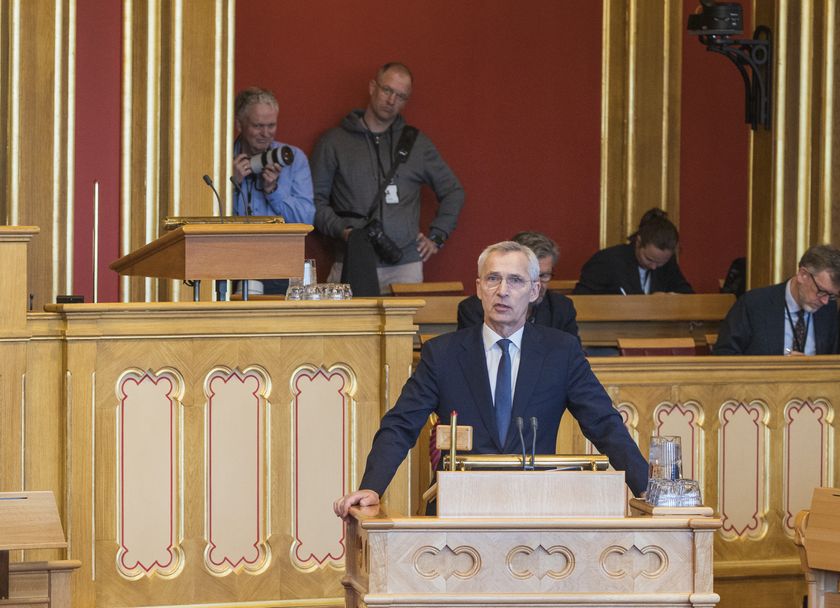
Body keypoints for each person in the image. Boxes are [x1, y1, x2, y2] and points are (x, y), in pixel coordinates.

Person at [333, 241, 648, 518]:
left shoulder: (560, 352)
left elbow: (605, 424)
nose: (503, 290)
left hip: (535, 507)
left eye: (515, 280)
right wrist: (372, 487)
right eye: (493, 279)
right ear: (479, 287)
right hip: (456, 507)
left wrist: (646, 489)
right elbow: (400, 425)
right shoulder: (442, 353)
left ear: (535, 290)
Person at [311, 62, 465, 294]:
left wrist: (437, 236)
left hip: (404, 265)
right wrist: (342, 230)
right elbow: (313, 201)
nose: (391, 101)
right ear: (373, 87)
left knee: (402, 331)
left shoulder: (417, 144)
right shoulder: (334, 142)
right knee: (346, 330)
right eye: (387, 90)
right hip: (351, 259)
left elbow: (453, 191)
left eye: (401, 96)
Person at [231, 87, 315, 294]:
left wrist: (274, 191)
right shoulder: (219, 156)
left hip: (280, 266)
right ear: (239, 124)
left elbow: (307, 220)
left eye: (271, 125)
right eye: (258, 126)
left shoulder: (293, 159)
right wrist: (233, 184)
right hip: (231, 263)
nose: (265, 133)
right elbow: (205, 217)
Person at [713, 244, 840, 355]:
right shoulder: (754, 304)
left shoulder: (829, 310)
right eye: (821, 292)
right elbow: (724, 355)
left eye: (832, 295)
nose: (825, 301)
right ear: (803, 275)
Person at [458, 231, 578, 339]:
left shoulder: (561, 308)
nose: (538, 284)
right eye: (516, 279)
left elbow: (570, 356)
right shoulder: (473, 309)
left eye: (543, 276)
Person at [573, 208, 693, 295]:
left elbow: (687, 296)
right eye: (649, 259)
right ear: (638, 242)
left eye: (661, 262)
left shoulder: (668, 263)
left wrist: (669, 298)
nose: (654, 267)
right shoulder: (607, 261)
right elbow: (582, 300)